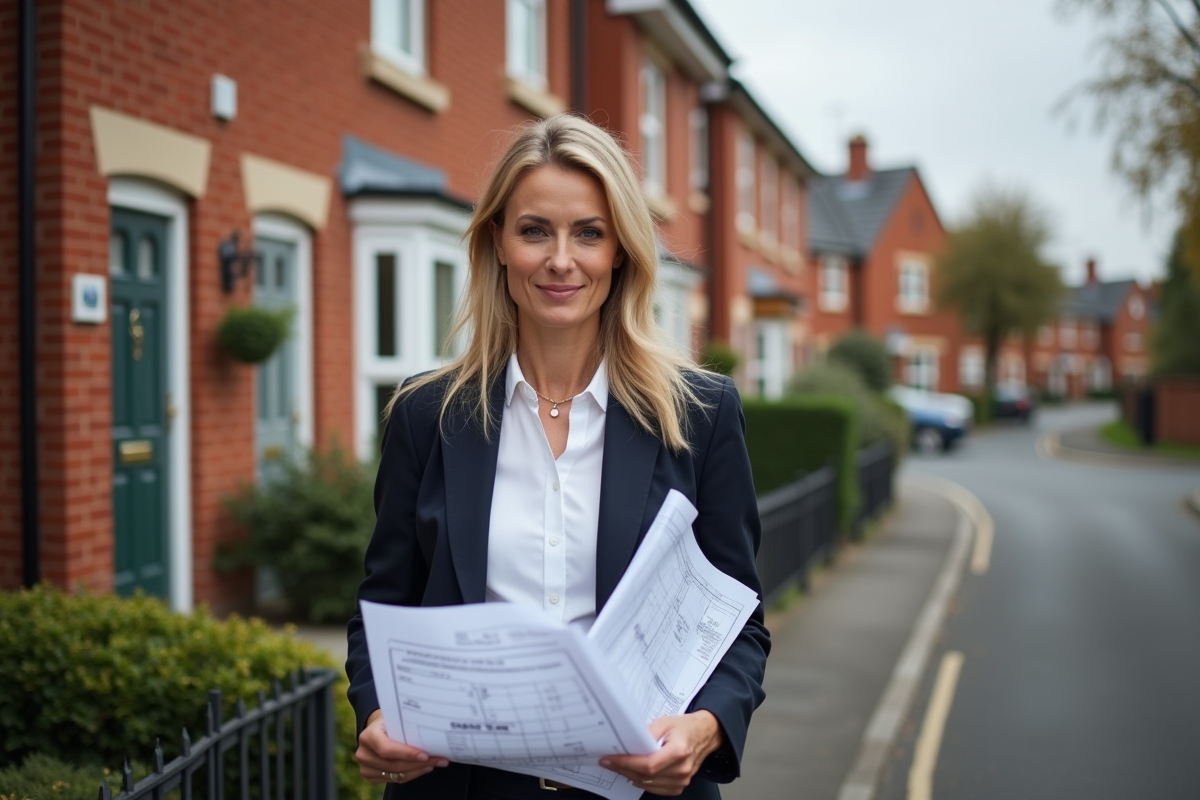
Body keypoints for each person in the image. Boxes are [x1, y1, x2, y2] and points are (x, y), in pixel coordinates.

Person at [344, 114, 769, 799]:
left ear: (621, 252)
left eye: (589, 233)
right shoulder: (428, 417)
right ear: (498, 245)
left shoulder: (698, 414)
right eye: (535, 229)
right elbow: (383, 605)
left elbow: (739, 623)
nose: (561, 259)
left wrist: (706, 727)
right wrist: (373, 712)